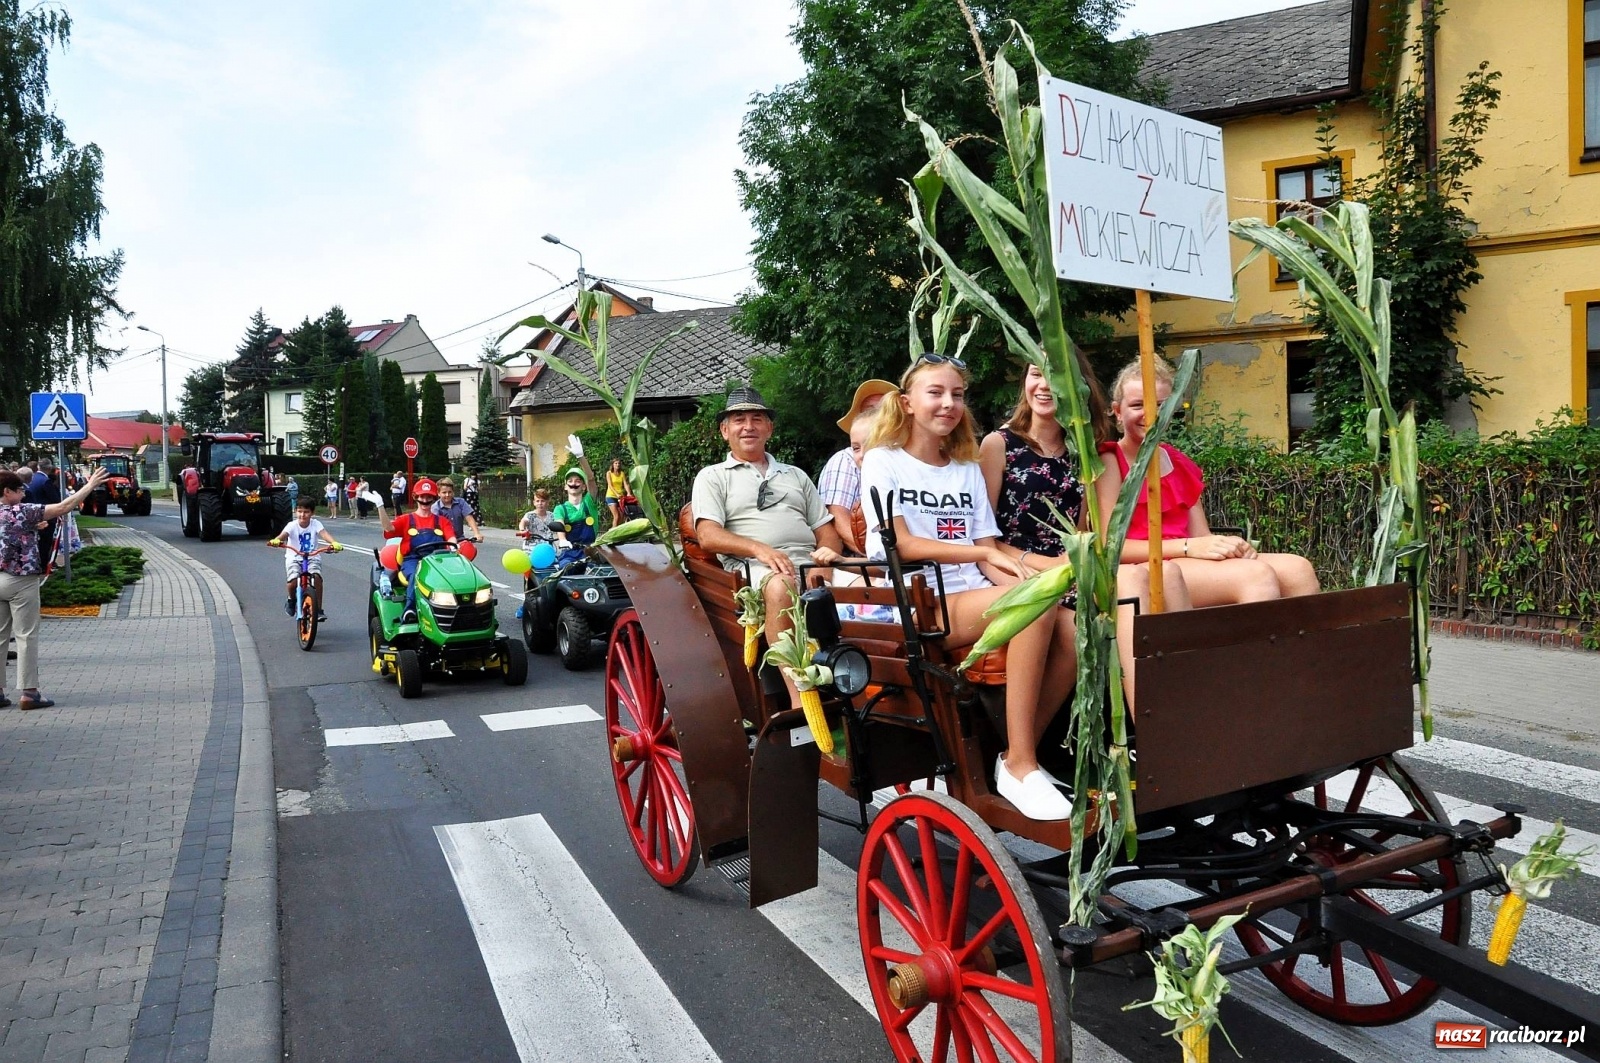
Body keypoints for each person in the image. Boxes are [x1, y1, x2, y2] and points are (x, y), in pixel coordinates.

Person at [858, 355, 1078, 821]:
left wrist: (1025, 577)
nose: (948, 403)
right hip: (918, 599)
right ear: (907, 403)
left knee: (1072, 623)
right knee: (1035, 604)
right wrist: (987, 559)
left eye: (957, 394)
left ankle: (1016, 755)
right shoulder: (883, 461)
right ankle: (1019, 763)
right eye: (935, 393)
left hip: (970, 593)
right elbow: (903, 543)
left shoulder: (964, 465)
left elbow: (988, 549)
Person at [978, 363, 1191, 714]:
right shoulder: (999, 444)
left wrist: (1074, 561)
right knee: (1079, 627)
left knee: (1118, 601)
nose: (1045, 384)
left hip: (1073, 569)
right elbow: (983, 537)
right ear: (1025, 382)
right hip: (1014, 566)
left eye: (1056, 373)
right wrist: (1047, 565)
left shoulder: (1083, 451)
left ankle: (1168, 712)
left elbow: (1084, 529)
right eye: (1035, 373)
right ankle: (1019, 746)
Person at [1104, 358, 1320, 604]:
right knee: (1255, 575)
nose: (1150, 414)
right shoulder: (1110, 461)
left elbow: (1202, 536)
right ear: (1118, 412)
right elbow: (1109, 546)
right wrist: (1188, 547)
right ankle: (1250, 643)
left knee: (1298, 569)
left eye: (1161, 405)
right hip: (1144, 566)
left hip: (1186, 559)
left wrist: (1227, 547)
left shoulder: (1178, 462)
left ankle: (1298, 642)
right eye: (1137, 405)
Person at [691, 385, 844, 706]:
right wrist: (761, 550)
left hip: (811, 565)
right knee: (782, 586)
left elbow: (826, 529)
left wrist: (825, 559)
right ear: (724, 431)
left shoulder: (796, 475)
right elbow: (708, 535)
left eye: (757, 418)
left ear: (769, 428)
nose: (748, 426)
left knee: (878, 583)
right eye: (739, 420)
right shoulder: (712, 476)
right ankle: (799, 695)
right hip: (753, 569)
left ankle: (875, 681)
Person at [0, 467, 108, 710]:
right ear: (6, 492)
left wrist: (32, 529)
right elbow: (62, 507)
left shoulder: (13, 515)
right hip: (21, 580)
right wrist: (89, 486)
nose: (23, 494)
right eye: (18, 490)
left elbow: (7, 535)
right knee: (26, 636)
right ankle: (29, 693)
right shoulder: (22, 511)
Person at [817, 379, 897, 553]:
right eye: (871, 410)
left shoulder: (907, 460)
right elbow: (837, 518)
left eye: (884, 410)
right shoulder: (845, 459)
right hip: (864, 560)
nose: (878, 416)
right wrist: (877, 559)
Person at [386, 478, 458, 624]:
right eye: (422, 496)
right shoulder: (406, 519)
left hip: (438, 560)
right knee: (417, 575)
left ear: (433, 498)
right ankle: (409, 610)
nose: (425, 500)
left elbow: (451, 538)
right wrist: (381, 507)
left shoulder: (442, 521)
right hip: (413, 560)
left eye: (428, 497)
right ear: (416, 497)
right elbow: (388, 529)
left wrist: (454, 547)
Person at [270, 498, 340, 620]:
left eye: (306, 512)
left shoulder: (316, 524)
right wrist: (277, 540)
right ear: (295, 511)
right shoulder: (292, 525)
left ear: (312, 513)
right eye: (300, 511)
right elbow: (283, 535)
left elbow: (324, 534)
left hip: (312, 556)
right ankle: (291, 600)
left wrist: (334, 543)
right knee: (292, 582)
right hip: (294, 557)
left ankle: (318, 609)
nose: (302, 515)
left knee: (317, 577)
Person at [551, 464, 601, 550]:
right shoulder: (560, 509)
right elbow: (559, 524)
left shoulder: (589, 503)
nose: (573, 483)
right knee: (565, 563)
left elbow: (591, 479)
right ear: (565, 487)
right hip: (569, 552)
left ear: (584, 487)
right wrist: (562, 540)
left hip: (591, 551)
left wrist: (580, 457)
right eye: (570, 481)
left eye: (578, 481)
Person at [26, 458, 63, 572]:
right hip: (46, 516)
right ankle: (44, 566)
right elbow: (55, 500)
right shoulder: (45, 481)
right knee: (45, 542)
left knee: (36, 542)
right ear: (49, 468)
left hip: (31, 514)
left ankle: (38, 563)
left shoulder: (33, 478)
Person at [603, 458, 629, 528]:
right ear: (613, 465)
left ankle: (616, 530)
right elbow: (610, 485)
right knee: (616, 516)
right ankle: (613, 534)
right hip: (611, 496)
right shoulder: (609, 473)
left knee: (621, 516)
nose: (617, 465)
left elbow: (625, 484)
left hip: (620, 497)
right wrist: (616, 494)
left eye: (618, 463)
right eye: (616, 463)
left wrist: (629, 493)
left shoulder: (622, 473)